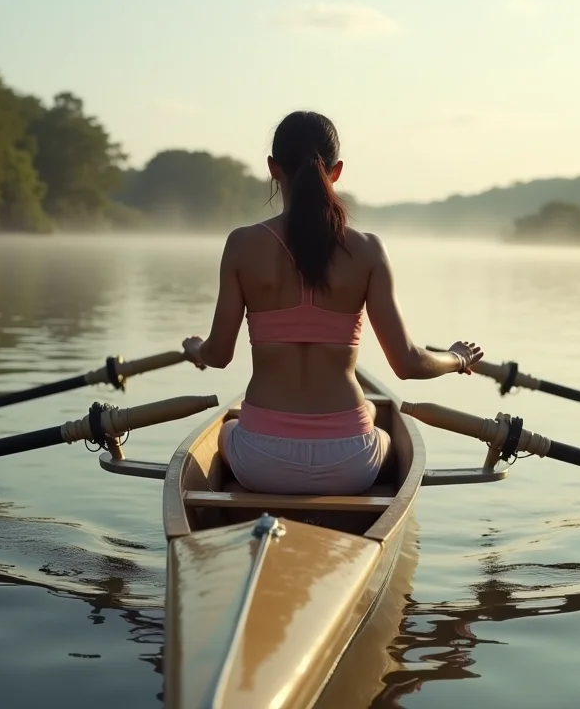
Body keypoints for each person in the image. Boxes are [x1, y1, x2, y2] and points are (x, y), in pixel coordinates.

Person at [182, 110, 483, 495]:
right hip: (349, 464)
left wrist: (196, 349)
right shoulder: (368, 250)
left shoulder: (241, 245)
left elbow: (219, 354)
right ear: (336, 171)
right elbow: (408, 363)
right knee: (382, 432)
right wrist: (457, 358)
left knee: (227, 431)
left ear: (273, 169)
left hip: (260, 461)